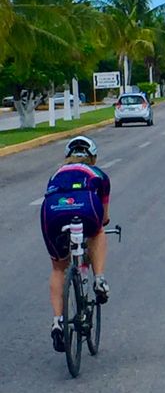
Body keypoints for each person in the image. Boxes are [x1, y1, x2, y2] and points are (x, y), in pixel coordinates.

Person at [40, 136, 111, 353]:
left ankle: (58, 321)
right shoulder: (98, 174)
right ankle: (99, 280)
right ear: (94, 157)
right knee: (98, 231)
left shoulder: (55, 174)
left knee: (58, 267)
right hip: (86, 207)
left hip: (52, 212)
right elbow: (105, 217)